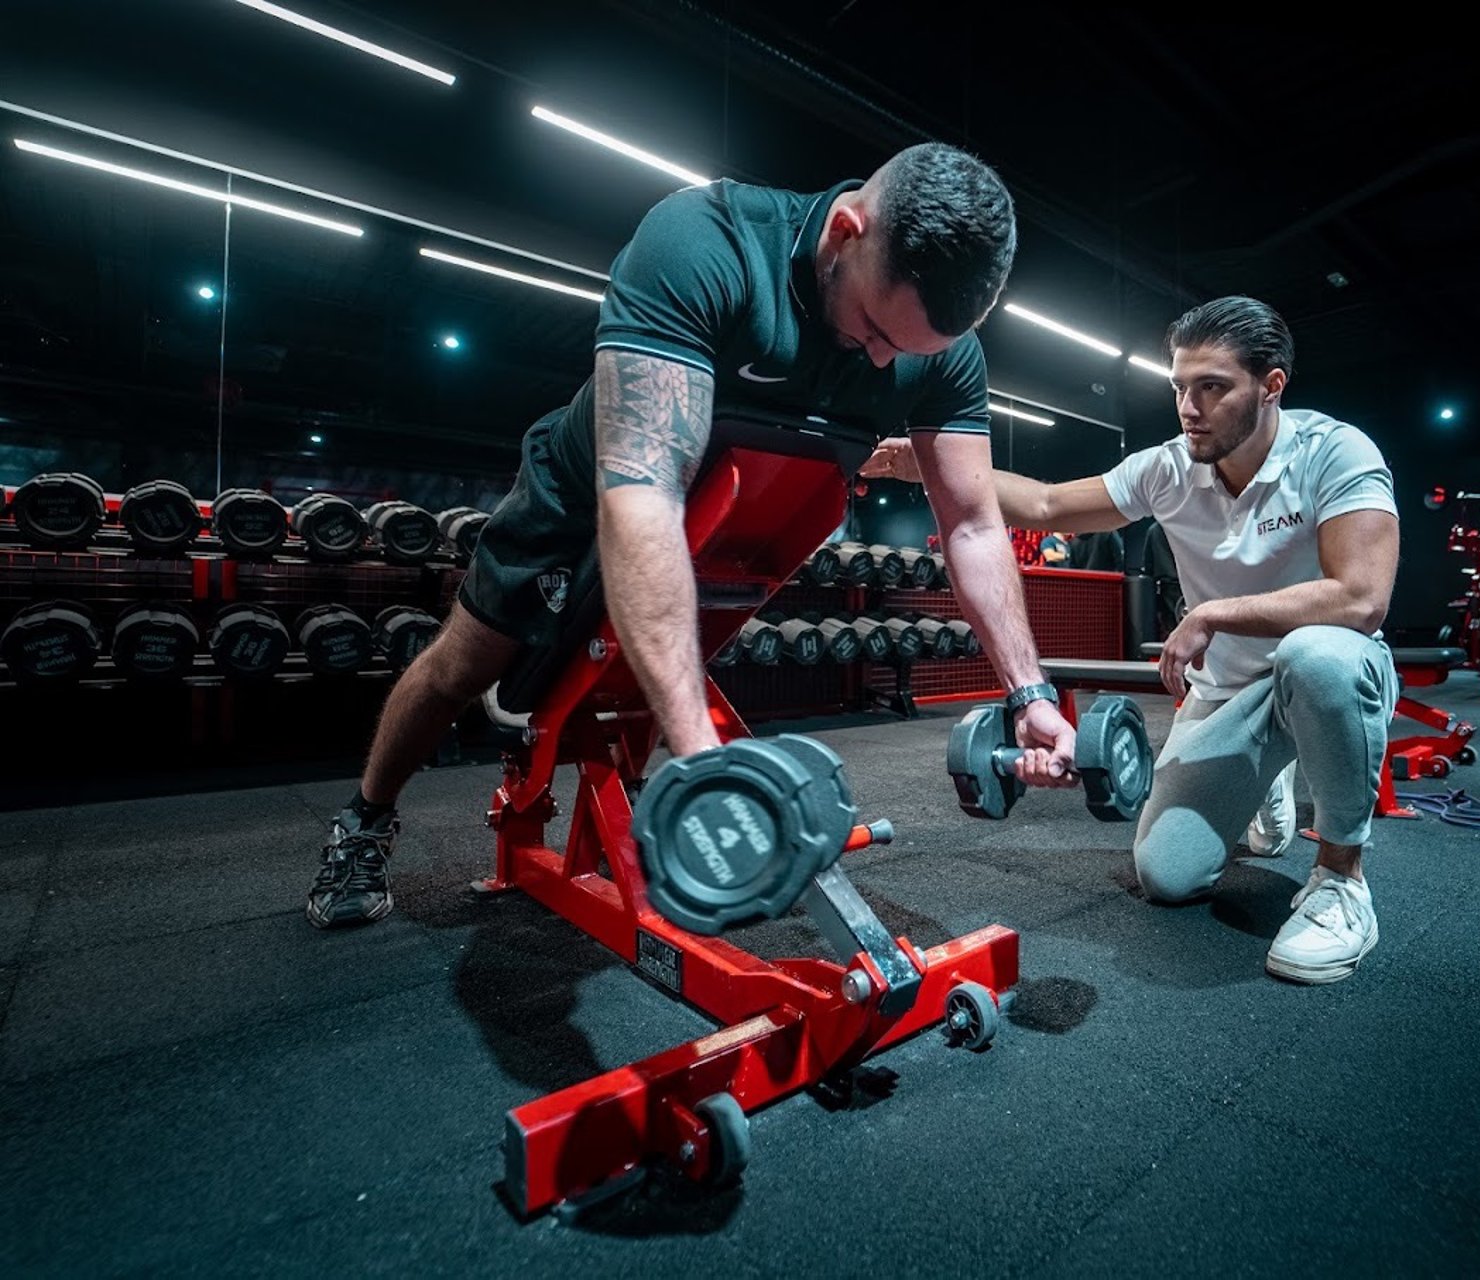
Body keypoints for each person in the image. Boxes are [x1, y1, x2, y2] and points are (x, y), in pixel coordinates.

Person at [307, 142, 1079, 929]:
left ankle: (628, 805)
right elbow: (641, 495)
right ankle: (366, 817)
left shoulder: (943, 353)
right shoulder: (708, 245)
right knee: (461, 668)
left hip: (725, 524)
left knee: (637, 677)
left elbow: (975, 526)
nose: (885, 360)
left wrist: (1030, 692)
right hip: (583, 494)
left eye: (913, 352)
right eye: (878, 330)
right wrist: (701, 767)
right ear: (847, 232)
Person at [860, 295, 1400, 984]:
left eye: (1212, 387)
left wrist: (1215, 614)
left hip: (1322, 672)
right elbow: (1050, 504)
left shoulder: (1334, 452)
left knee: (1317, 654)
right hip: (1228, 694)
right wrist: (924, 465)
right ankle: (1266, 774)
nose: (1189, 407)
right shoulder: (1169, 468)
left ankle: (1342, 881)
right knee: (1167, 876)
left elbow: (1361, 596)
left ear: (1271, 388)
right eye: (1179, 386)